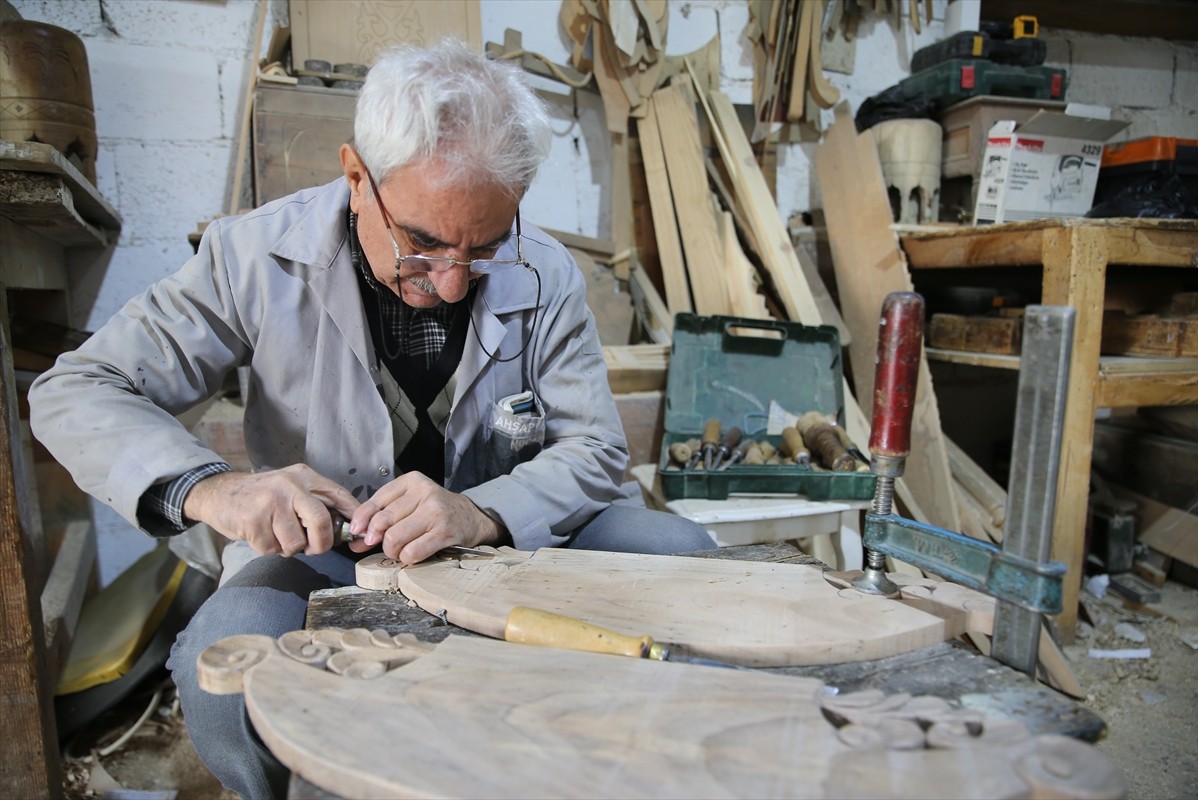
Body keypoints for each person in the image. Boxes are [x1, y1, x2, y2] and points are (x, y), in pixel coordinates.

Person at [30, 39, 713, 797]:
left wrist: (481, 510)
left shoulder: (544, 271)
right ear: (357, 177)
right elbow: (78, 388)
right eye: (422, 244)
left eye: (483, 247)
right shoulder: (254, 256)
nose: (452, 285)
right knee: (223, 665)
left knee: (678, 553)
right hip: (332, 549)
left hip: (517, 540)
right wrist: (217, 489)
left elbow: (592, 451)